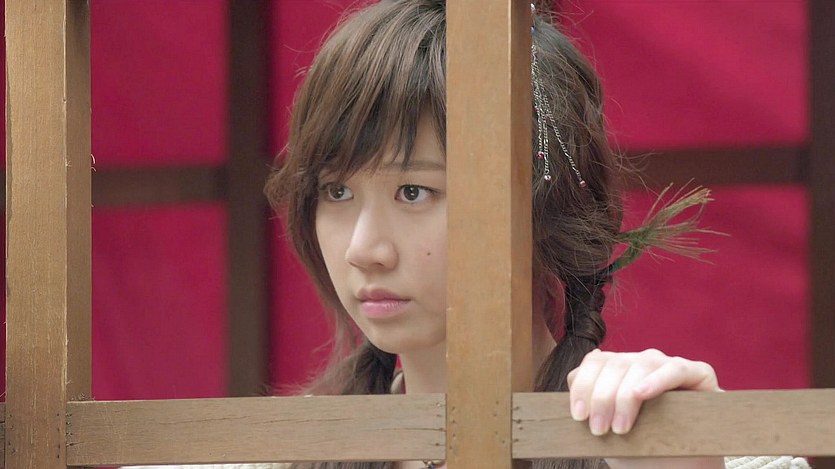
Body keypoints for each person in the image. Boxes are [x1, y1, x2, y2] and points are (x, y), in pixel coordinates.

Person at [133, 1, 809, 468]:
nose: (364, 248)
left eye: (414, 191)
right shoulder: (258, 456)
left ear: (540, 205)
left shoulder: (710, 453)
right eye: (336, 192)